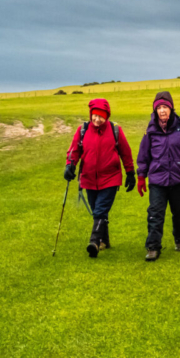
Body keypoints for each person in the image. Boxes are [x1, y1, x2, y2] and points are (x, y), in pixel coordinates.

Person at [137, 91, 180, 261]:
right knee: (155, 213)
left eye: (165, 107)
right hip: (157, 180)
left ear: (171, 108)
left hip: (179, 178)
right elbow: (144, 154)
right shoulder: (150, 130)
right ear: (155, 110)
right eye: (159, 107)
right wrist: (141, 176)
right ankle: (153, 247)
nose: (162, 111)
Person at [64, 98, 135, 257]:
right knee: (97, 209)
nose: (97, 119)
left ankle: (94, 242)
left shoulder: (115, 130)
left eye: (101, 116)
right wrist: (70, 165)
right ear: (91, 114)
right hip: (89, 179)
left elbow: (125, 151)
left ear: (107, 116)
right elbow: (74, 150)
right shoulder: (83, 129)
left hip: (110, 177)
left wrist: (130, 173)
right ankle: (105, 240)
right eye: (94, 115)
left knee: (100, 210)